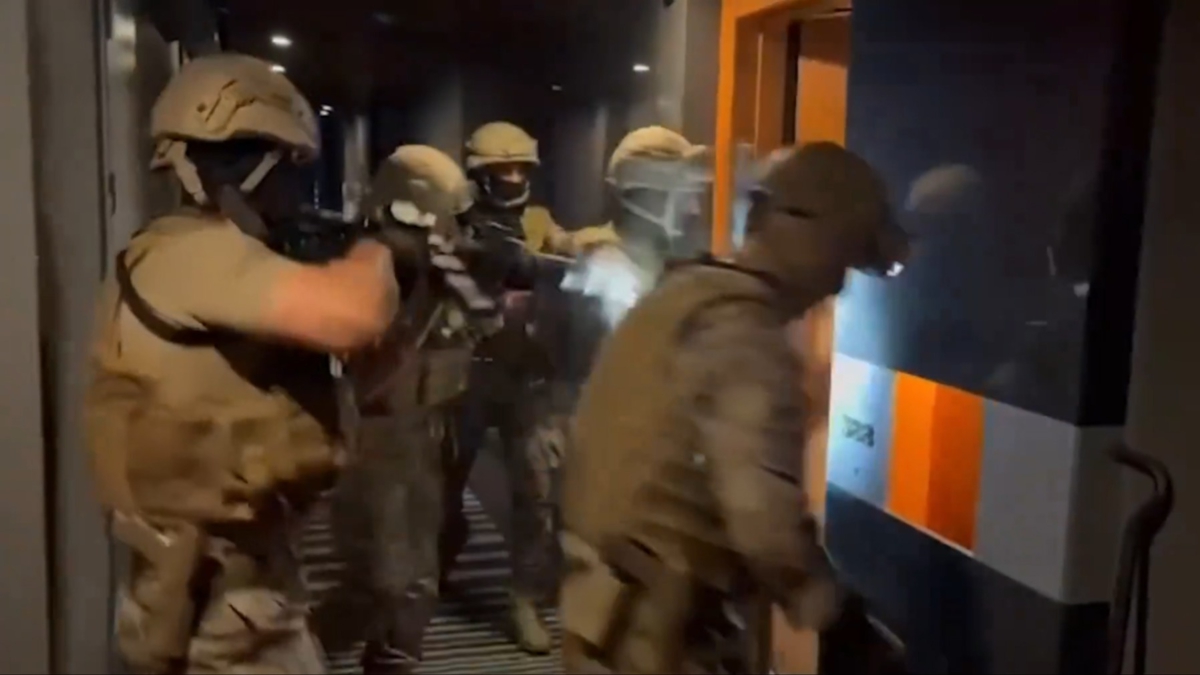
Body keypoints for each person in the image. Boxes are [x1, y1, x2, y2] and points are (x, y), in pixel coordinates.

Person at [84, 53, 399, 675]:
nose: (293, 194)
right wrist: (382, 249)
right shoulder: (190, 252)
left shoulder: (203, 262)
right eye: (288, 171)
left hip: (228, 581)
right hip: (222, 605)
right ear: (250, 166)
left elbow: (363, 382)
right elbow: (354, 313)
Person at [559, 142, 910, 674]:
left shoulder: (685, 294)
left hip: (606, 611)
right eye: (846, 260)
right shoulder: (745, 335)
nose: (838, 286)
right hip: (656, 633)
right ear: (822, 246)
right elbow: (759, 510)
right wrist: (832, 613)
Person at [316, 144, 499, 674]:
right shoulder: (387, 254)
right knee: (386, 582)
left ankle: (381, 658)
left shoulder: (428, 255)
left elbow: (481, 314)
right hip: (378, 433)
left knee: (410, 581)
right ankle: (299, 655)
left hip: (418, 429)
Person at [441, 120, 612, 654]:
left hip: (525, 379)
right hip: (466, 376)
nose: (514, 178)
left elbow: (565, 249)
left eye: (520, 168)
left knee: (536, 496)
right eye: (502, 169)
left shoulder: (535, 222)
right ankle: (438, 562)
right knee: (442, 487)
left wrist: (590, 251)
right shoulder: (454, 223)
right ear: (480, 174)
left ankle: (524, 600)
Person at [560, 125, 712, 332]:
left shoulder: (655, 266)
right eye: (683, 196)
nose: (694, 209)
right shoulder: (609, 275)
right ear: (644, 195)